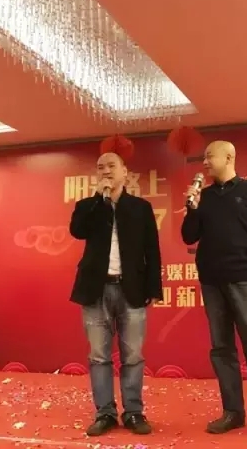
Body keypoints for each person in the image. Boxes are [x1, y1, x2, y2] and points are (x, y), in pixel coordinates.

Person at [181, 141, 247, 443]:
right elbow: (189, 236)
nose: (204, 162)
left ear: (229, 157)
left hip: (243, 279)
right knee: (221, 349)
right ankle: (233, 412)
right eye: (203, 157)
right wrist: (192, 208)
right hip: (211, 282)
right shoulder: (205, 196)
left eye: (209, 156)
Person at [69, 152, 162, 437]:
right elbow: (77, 231)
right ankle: (105, 413)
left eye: (112, 166)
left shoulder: (140, 208)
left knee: (133, 355)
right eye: (100, 167)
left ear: (124, 171)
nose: (106, 171)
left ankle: (133, 411)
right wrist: (99, 199)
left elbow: (152, 250)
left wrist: (154, 288)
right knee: (99, 356)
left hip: (131, 289)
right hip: (95, 291)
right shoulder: (88, 205)